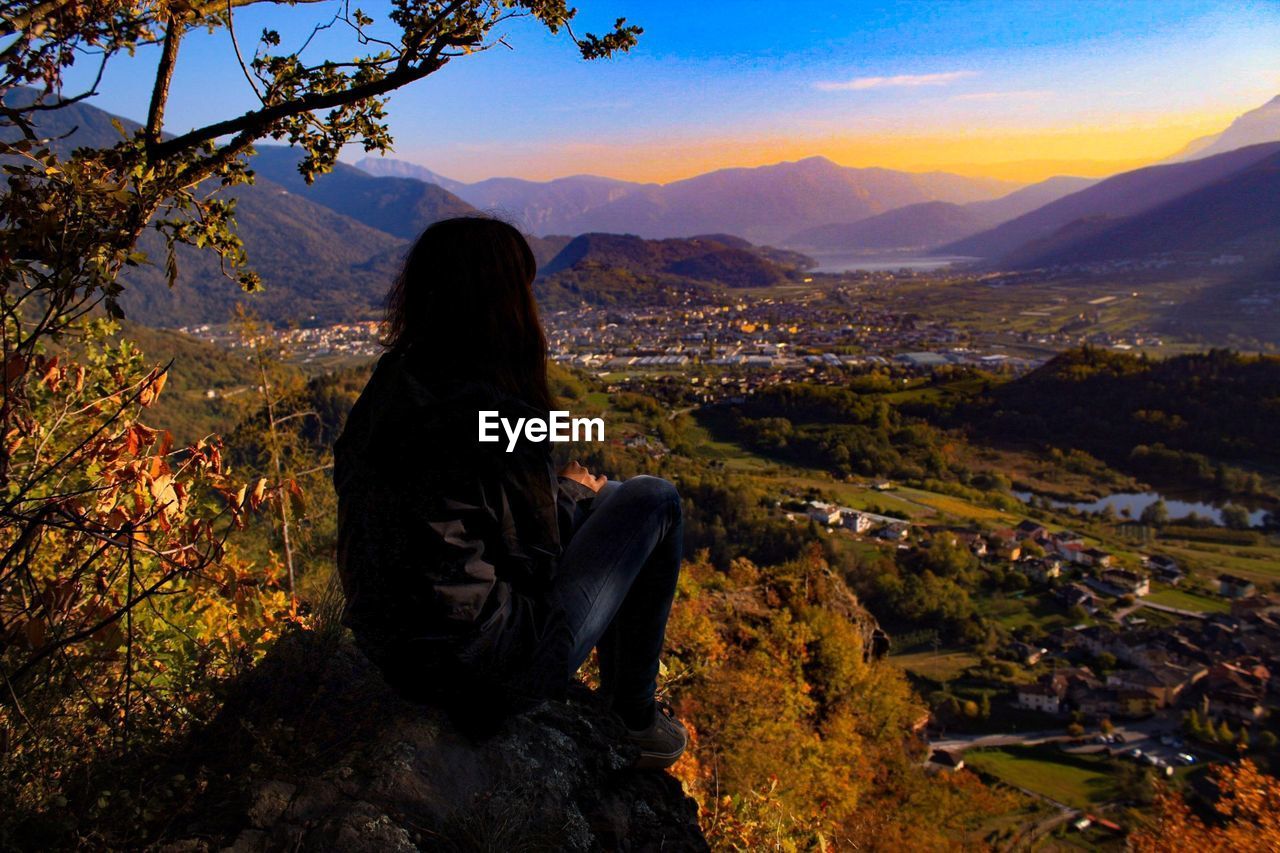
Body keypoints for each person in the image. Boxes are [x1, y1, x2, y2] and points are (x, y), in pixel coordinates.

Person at [333, 216, 688, 769]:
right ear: (506, 304)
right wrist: (568, 492)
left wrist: (568, 492)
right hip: (483, 669)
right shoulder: (493, 414)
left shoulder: (394, 384)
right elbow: (536, 565)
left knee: (614, 494)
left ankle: (629, 708)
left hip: (396, 650)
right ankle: (632, 715)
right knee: (653, 498)